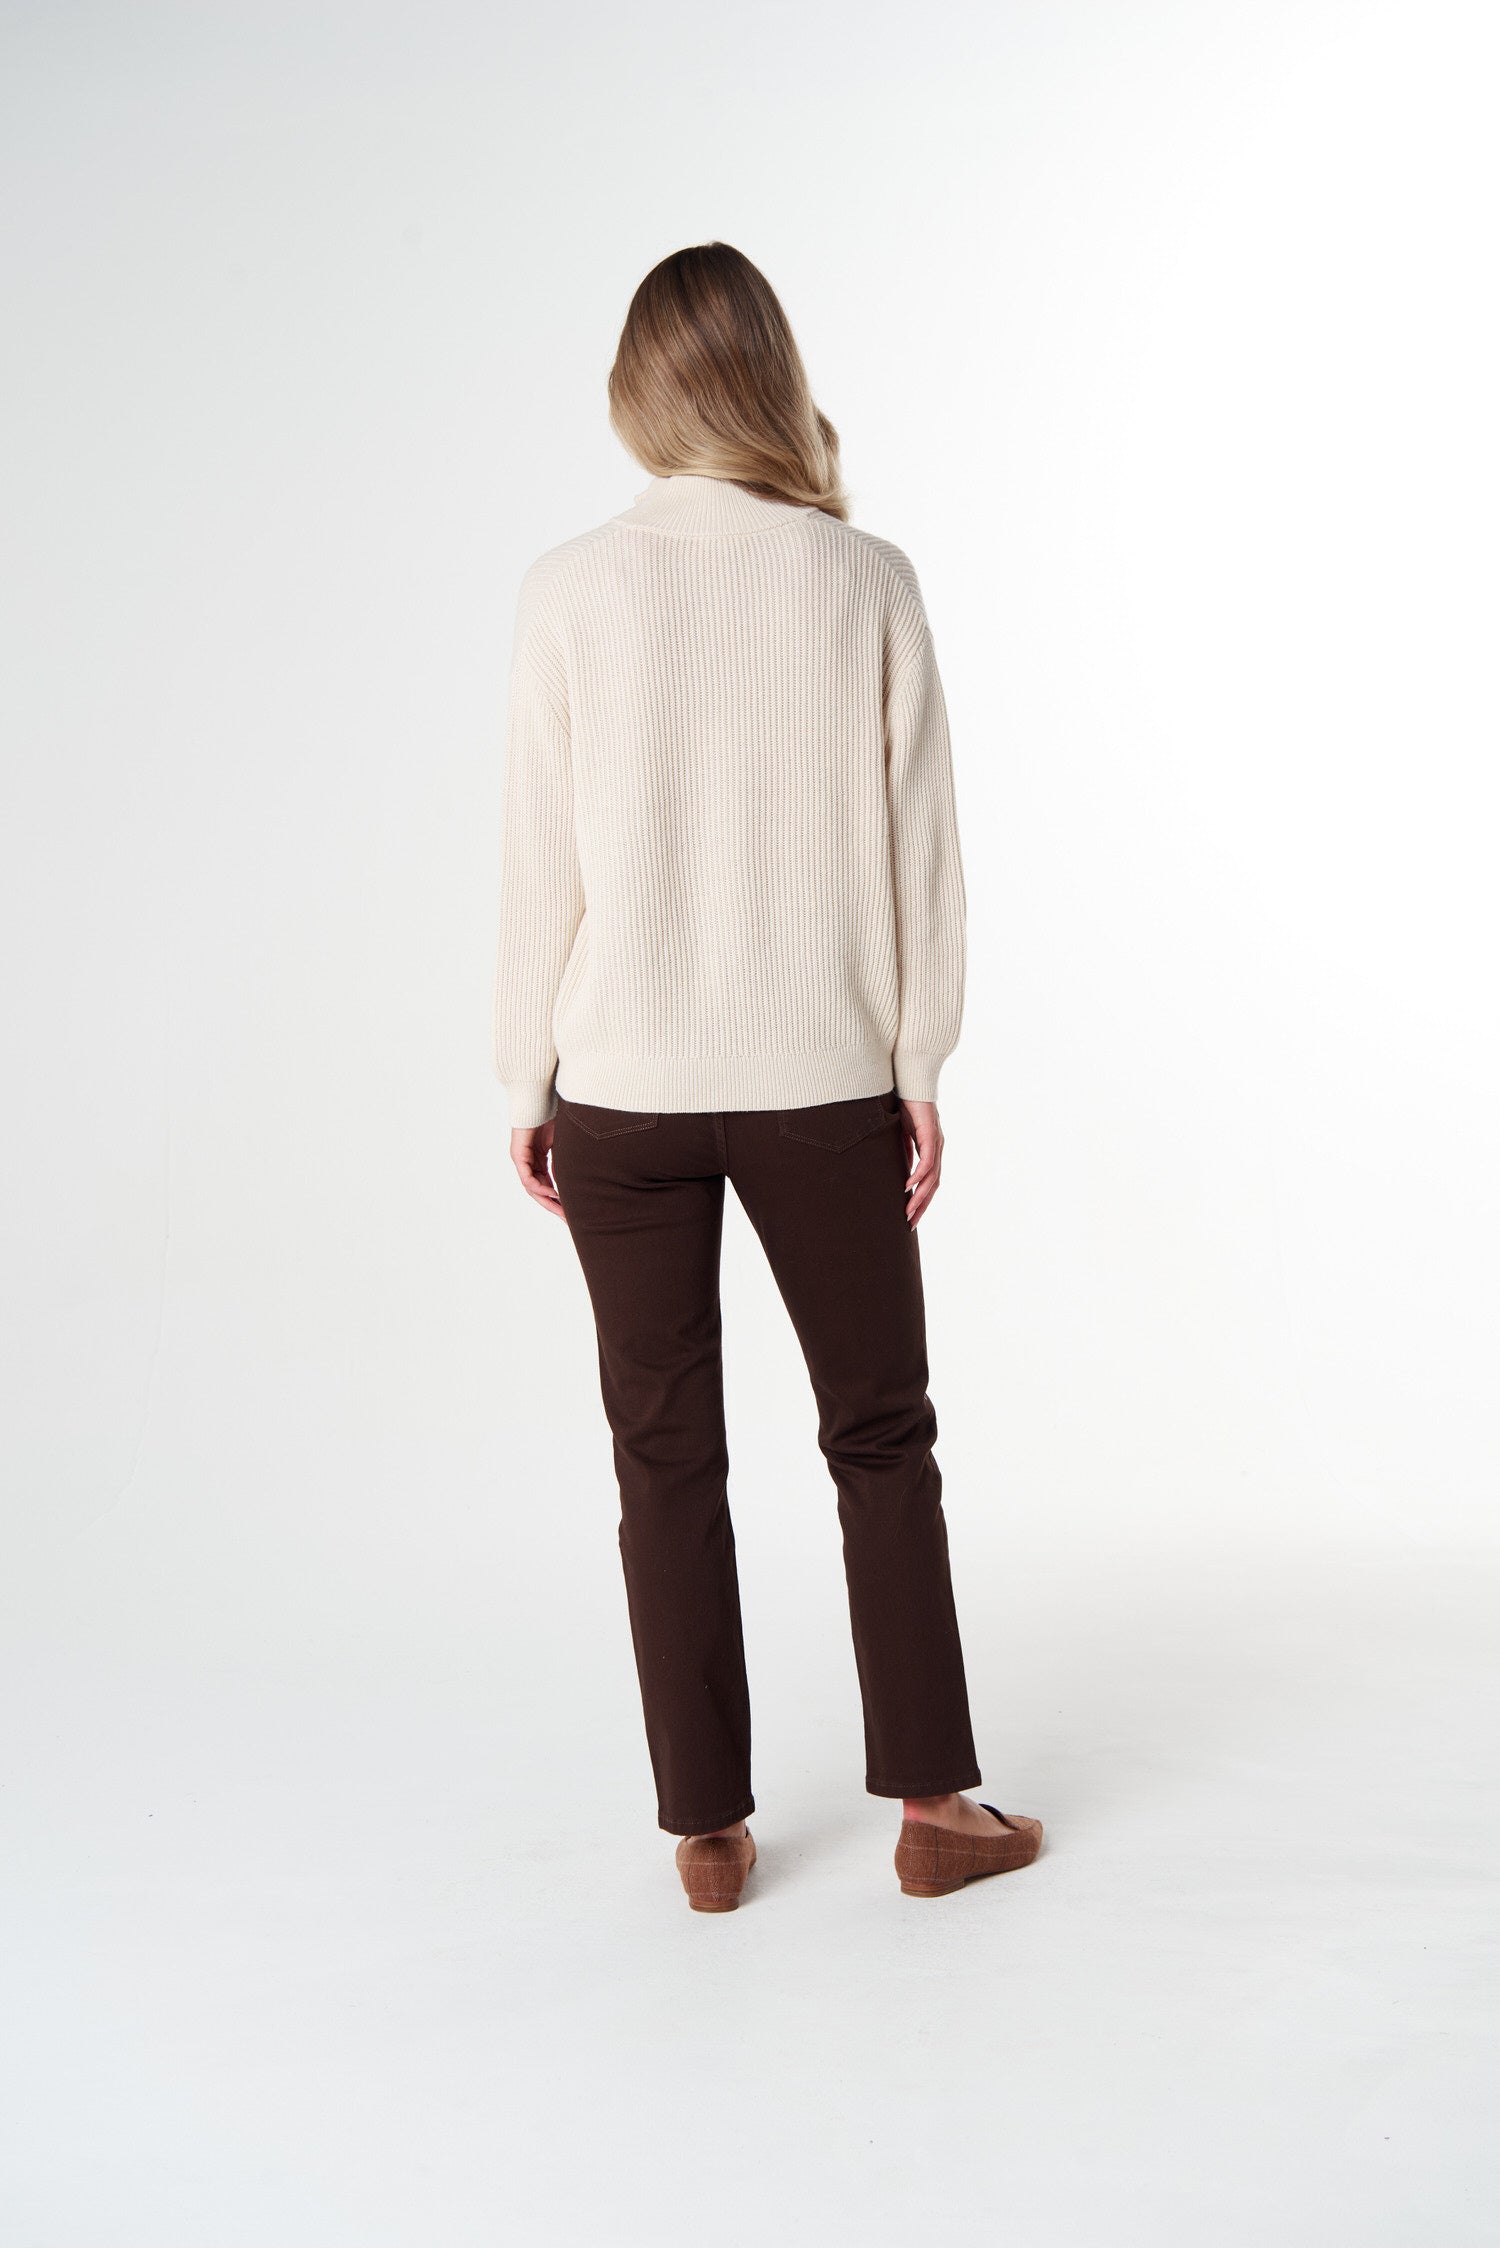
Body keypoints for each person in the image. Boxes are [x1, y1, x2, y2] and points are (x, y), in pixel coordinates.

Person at [492, 242, 1040, 1911]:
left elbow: (535, 866)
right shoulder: (865, 578)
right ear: (772, 381)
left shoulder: (570, 588)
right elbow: (925, 851)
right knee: (881, 1435)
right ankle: (934, 1809)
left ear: (638, 392)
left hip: (622, 1086)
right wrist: (919, 1060)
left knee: (662, 1456)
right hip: (822, 1083)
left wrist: (526, 1079)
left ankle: (708, 1834)